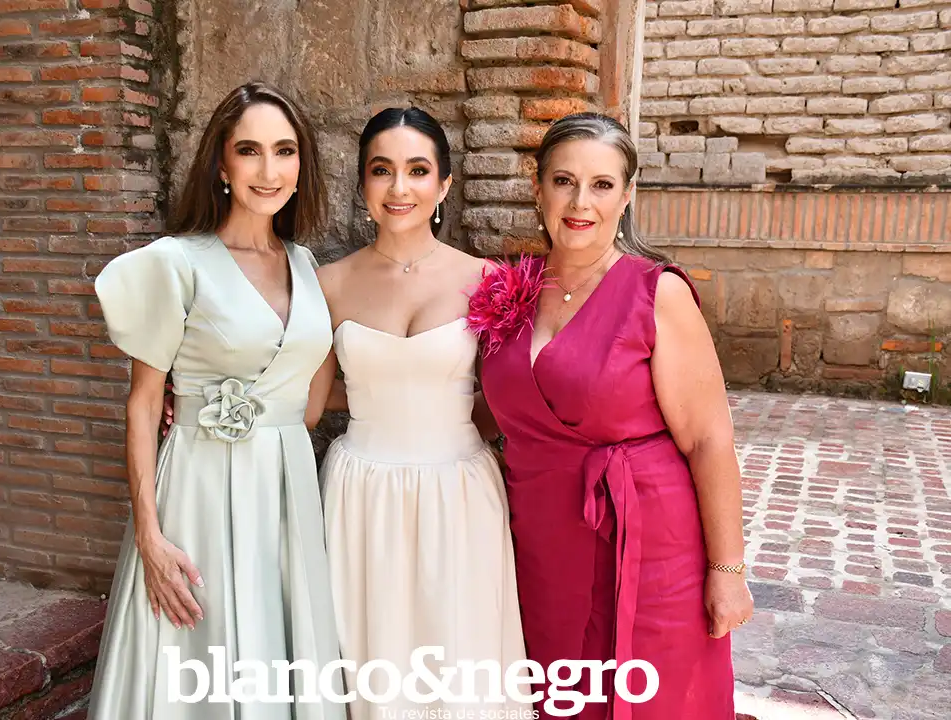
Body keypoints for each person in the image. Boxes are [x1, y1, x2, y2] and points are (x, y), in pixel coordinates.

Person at [473, 112, 753, 720]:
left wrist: (727, 571)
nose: (581, 203)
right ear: (538, 188)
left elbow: (709, 439)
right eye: (564, 181)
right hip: (539, 543)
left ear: (626, 195)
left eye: (602, 185)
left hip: (645, 541)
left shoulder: (657, 292)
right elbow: (492, 412)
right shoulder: (507, 288)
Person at [87, 81, 346, 720]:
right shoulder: (176, 263)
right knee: (202, 653)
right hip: (200, 489)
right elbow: (143, 405)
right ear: (222, 165)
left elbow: (309, 402)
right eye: (249, 151)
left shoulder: (306, 265)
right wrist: (150, 535)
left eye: (284, 151)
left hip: (286, 492)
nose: (269, 170)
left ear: (301, 166)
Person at [310, 107, 528, 720]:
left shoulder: (488, 281)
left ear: (444, 184)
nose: (399, 187)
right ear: (362, 183)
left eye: (418, 170)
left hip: (458, 491)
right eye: (382, 170)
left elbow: (509, 399)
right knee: (368, 655)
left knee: (457, 656)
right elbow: (308, 400)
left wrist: (450, 427)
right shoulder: (329, 284)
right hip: (360, 492)